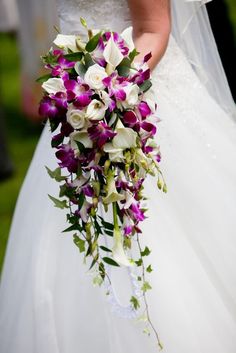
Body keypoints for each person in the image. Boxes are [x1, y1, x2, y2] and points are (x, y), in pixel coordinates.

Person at [0, 1, 236, 352]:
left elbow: (154, 29)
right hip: (76, 107)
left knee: (150, 240)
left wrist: (109, 97)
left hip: (134, 100)